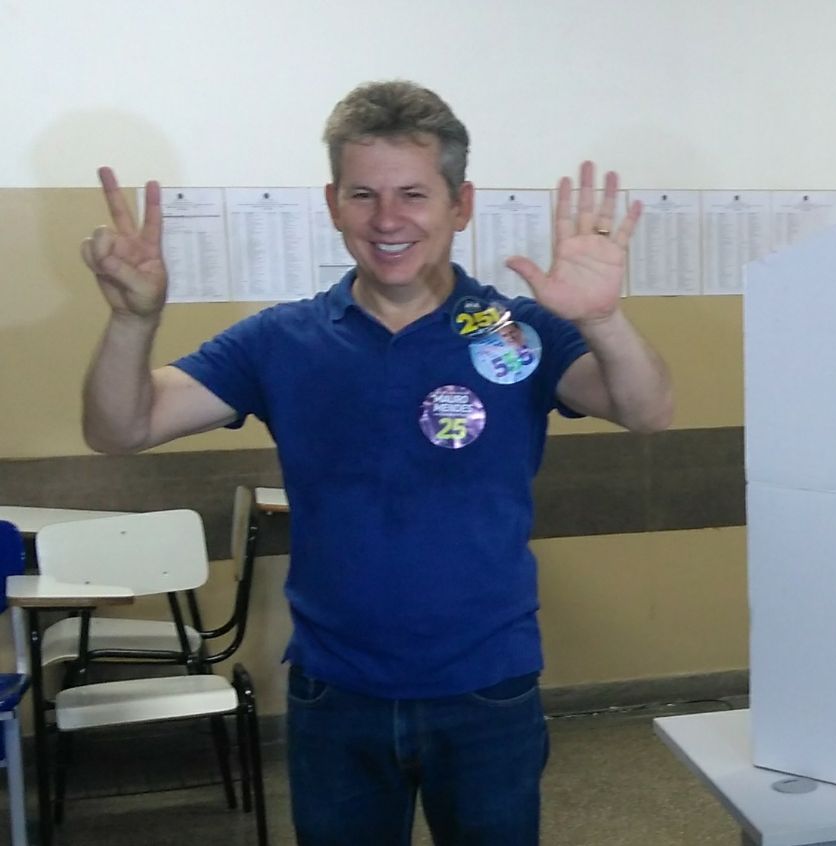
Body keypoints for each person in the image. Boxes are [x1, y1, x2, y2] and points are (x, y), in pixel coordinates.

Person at [79, 80, 673, 846]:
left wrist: (601, 319)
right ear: (333, 203)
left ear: (461, 205)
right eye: (363, 194)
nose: (387, 220)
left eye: (413, 195)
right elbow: (120, 428)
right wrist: (134, 320)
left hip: (487, 687)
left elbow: (648, 409)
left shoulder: (512, 333)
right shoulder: (280, 341)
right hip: (337, 694)